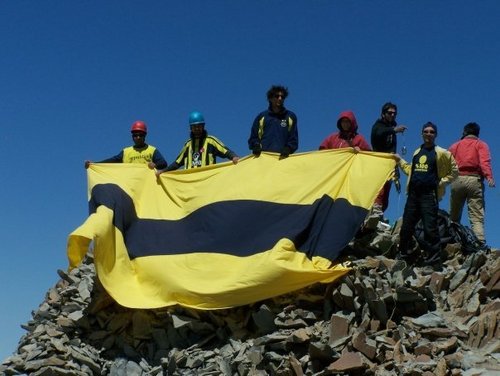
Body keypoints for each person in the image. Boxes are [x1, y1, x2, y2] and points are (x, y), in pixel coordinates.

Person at [396, 122, 458, 265]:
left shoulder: (442, 153)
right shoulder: (417, 152)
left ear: (435, 135)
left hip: (429, 195)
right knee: (406, 226)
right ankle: (404, 255)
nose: (428, 134)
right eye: (426, 131)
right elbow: (411, 170)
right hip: (413, 194)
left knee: (430, 227)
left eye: (431, 132)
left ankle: (433, 260)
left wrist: (441, 183)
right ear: (422, 134)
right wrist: (399, 161)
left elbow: (455, 172)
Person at [448, 122, 495, 247]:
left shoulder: (455, 145)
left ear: (464, 132)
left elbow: (447, 162)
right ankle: (479, 243)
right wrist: (489, 177)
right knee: (476, 215)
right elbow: (484, 162)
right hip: (475, 180)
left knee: (454, 215)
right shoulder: (481, 144)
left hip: (457, 179)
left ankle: (451, 240)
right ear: (477, 133)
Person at [158, 111, 239, 172]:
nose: (197, 129)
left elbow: (226, 151)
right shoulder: (188, 145)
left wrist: (234, 157)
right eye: (194, 127)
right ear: (191, 128)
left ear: (203, 126)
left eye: (199, 126)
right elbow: (177, 163)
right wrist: (163, 171)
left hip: (207, 181)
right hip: (190, 184)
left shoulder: (211, 141)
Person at [371, 102, 408, 213]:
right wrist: (394, 130)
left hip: (390, 165)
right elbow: (378, 134)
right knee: (379, 190)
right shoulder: (378, 125)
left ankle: (380, 214)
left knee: (386, 192)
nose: (392, 115)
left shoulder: (391, 128)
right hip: (379, 164)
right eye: (389, 113)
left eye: (394, 113)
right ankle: (374, 213)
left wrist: (396, 167)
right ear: (383, 114)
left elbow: (392, 149)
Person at [84, 120, 167, 170]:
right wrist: (94, 164)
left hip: (146, 186)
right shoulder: (126, 152)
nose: (138, 137)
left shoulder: (152, 150)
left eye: (140, 135)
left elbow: (163, 163)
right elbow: (112, 161)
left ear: (145, 135)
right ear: (132, 137)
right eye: (135, 135)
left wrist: (155, 165)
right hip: (130, 186)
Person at [248, 85, 298, 159]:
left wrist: (288, 148)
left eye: (282, 97)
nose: (280, 98)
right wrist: (256, 145)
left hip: (283, 159)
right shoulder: (262, 117)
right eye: (277, 96)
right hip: (263, 159)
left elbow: (293, 139)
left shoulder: (290, 116)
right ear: (270, 98)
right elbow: (253, 137)